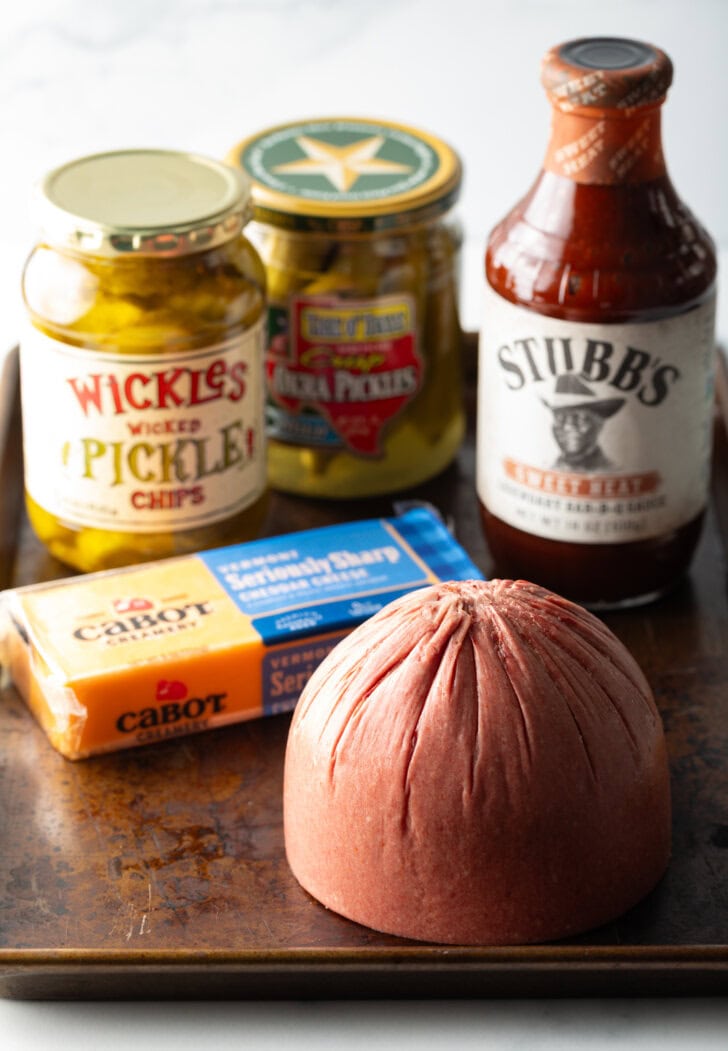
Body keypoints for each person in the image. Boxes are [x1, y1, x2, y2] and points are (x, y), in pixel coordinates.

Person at [541, 375, 625, 471]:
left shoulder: (612, 470)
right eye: (561, 419)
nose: (568, 427)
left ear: (599, 424)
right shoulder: (550, 467)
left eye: (580, 418)